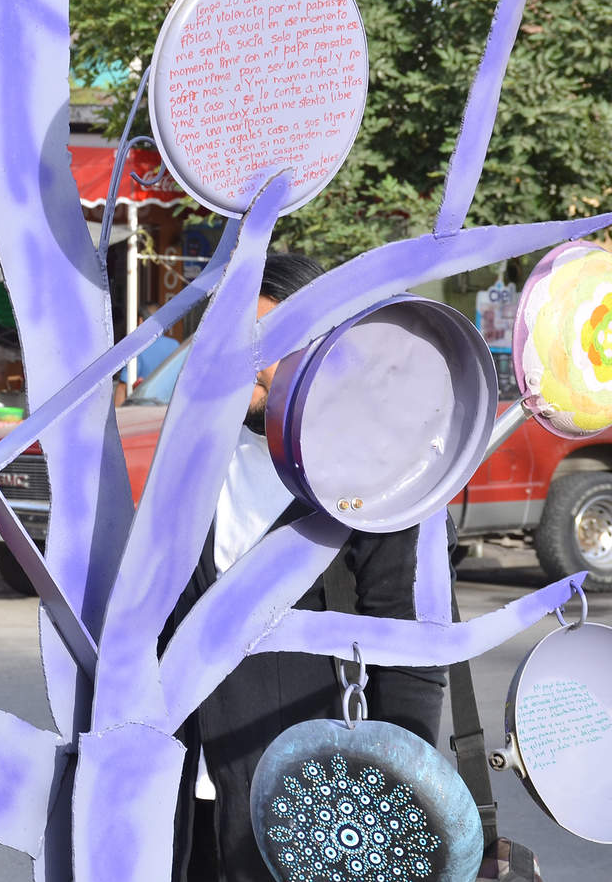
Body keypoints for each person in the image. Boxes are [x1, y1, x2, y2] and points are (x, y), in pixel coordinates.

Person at [166, 253, 450, 882]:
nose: (244, 361)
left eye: (266, 343)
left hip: (320, 823)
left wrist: (390, 816)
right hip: (197, 814)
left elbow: (411, 661)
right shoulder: (195, 459)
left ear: (323, 348)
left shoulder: (379, 481)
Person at [114, 304, 181, 406]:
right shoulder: (175, 345)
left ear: (140, 321)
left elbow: (122, 388)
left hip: (144, 410)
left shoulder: (139, 348)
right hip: (170, 408)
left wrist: (117, 414)